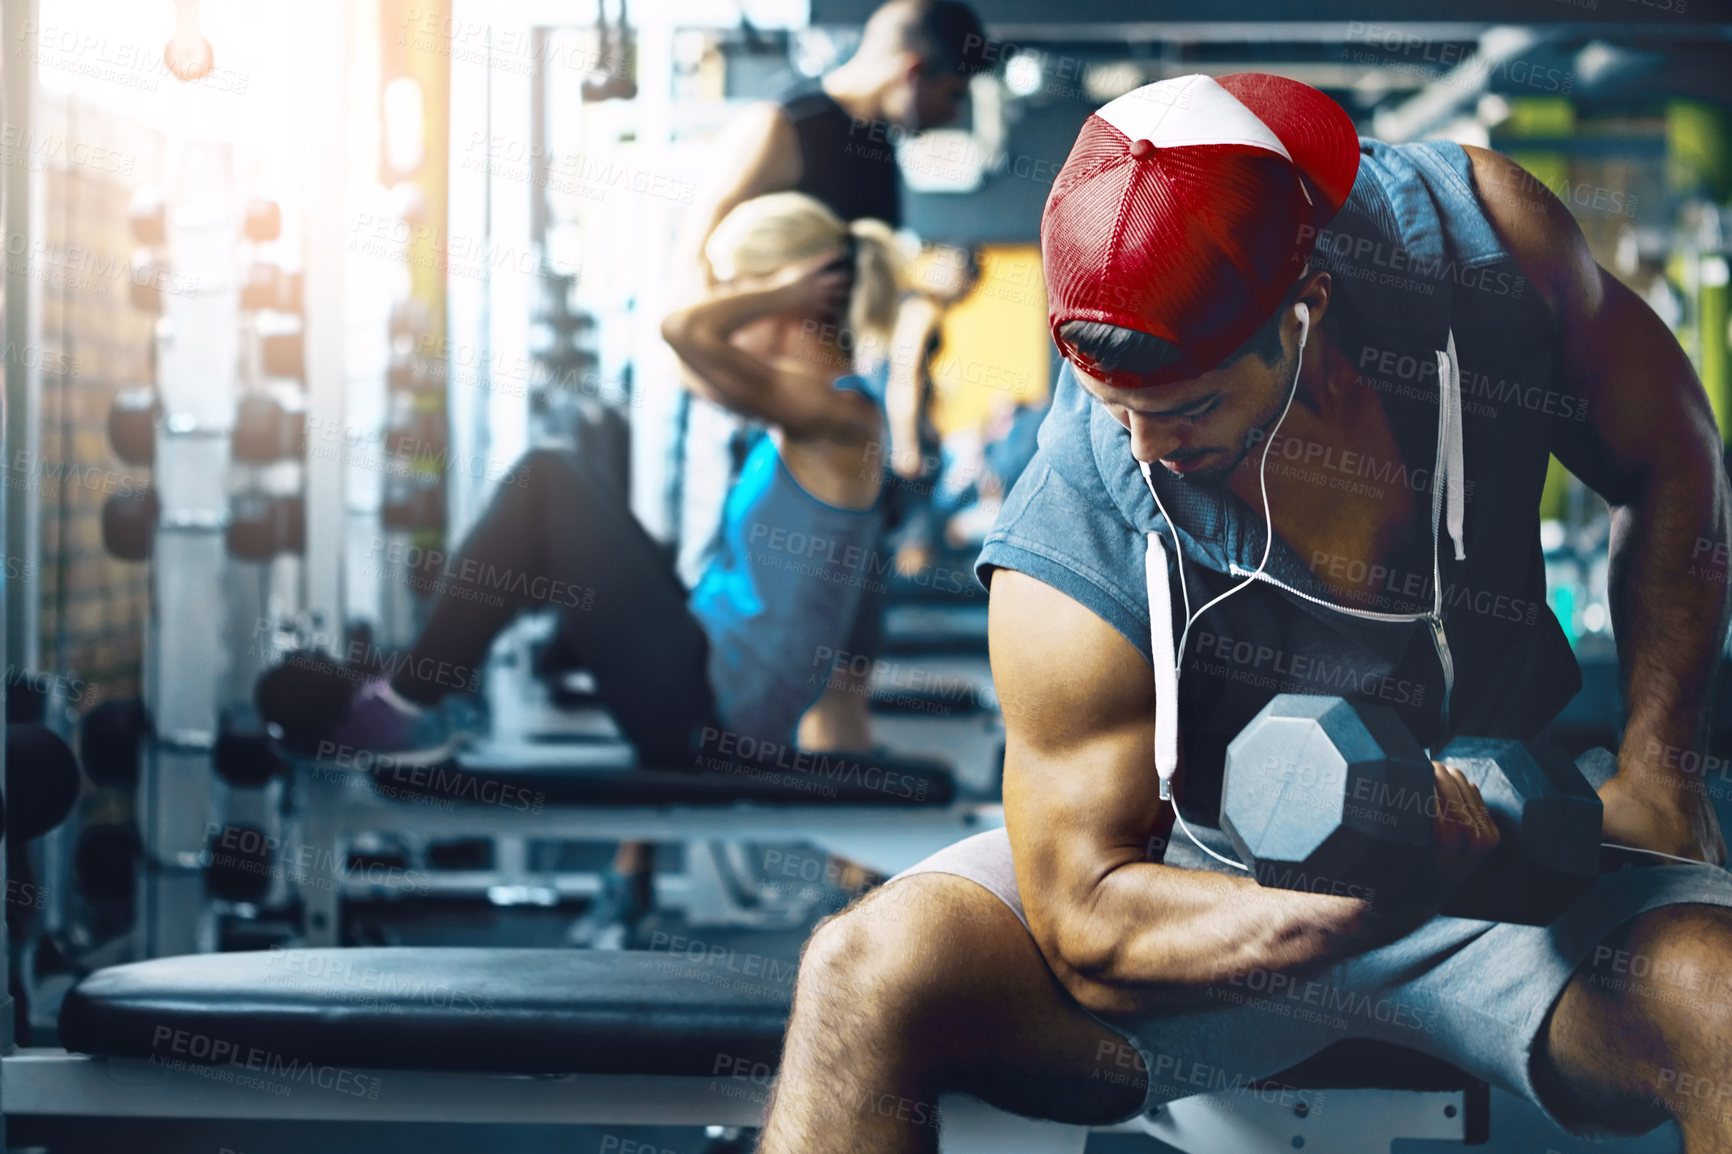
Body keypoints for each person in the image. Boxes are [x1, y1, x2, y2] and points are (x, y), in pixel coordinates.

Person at [758, 73, 1732, 1153]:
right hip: (1202, 889)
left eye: (1189, 407)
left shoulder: (1484, 253)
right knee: (865, 971)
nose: (1145, 447)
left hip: (1507, 850)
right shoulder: (1080, 508)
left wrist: (1659, 768)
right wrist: (1355, 906)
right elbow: (1088, 918)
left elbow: (1671, 452)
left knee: (1724, 1012)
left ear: (1301, 310)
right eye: (1112, 407)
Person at [293, 193, 906, 942]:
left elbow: (682, 330)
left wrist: (781, 287)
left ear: (787, 292)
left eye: (733, 287)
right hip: (705, 686)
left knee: (550, 479)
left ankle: (412, 702)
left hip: (710, 718)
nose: (723, 305)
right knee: (569, 499)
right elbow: (693, 360)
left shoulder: (841, 418)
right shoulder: (813, 412)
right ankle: (427, 685)